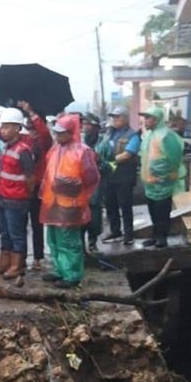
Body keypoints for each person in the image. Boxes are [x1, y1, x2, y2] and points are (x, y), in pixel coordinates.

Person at [39, 114, 100, 289]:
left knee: (69, 241)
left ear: (71, 132)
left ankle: (72, 275)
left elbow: (92, 178)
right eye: (56, 133)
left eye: (61, 133)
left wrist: (74, 188)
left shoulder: (83, 151)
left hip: (70, 203)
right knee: (53, 239)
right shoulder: (55, 149)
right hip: (52, 202)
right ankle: (59, 270)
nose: (58, 136)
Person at [0, 107, 35, 280]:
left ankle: (17, 265)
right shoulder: (7, 147)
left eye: (7, 127)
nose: (3, 131)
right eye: (3, 127)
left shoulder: (23, 150)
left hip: (17, 199)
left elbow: (30, 177)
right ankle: (4, 262)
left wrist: (26, 194)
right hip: (3, 197)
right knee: (4, 231)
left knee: (17, 233)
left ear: (17, 128)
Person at [139, 106, 185, 249]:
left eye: (148, 118)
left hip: (163, 182)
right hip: (150, 182)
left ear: (157, 119)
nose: (144, 121)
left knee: (162, 212)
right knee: (153, 211)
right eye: (144, 118)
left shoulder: (166, 135)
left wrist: (166, 175)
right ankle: (155, 235)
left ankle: (162, 237)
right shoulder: (149, 136)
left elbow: (175, 158)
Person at [18, 101, 54, 271]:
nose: (30, 129)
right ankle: (21, 257)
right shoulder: (24, 139)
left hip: (38, 186)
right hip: (22, 186)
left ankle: (38, 257)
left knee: (37, 223)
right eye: (28, 125)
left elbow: (45, 133)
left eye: (33, 125)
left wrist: (31, 111)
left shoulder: (44, 140)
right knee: (20, 224)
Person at [101, 106, 140, 245]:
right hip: (109, 176)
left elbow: (129, 153)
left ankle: (129, 234)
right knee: (110, 205)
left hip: (124, 176)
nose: (115, 120)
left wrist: (110, 161)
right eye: (113, 117)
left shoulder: (132, 135)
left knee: (125, 206)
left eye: (118, 117)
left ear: (125, 118)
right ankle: (115, 231)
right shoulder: (110, 134)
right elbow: (102, 148)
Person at [81, 113, 112, 253]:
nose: (86, 127)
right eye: (84, 124)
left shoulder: (104, 144)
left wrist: (99, 161)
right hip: (80, 187)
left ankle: (93, 244)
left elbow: (111, 165)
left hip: (97, 188)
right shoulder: (79, 142)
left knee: (94, 219)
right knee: (80, 219)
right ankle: (80, 248)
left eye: (89, 124)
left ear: (96, 127)